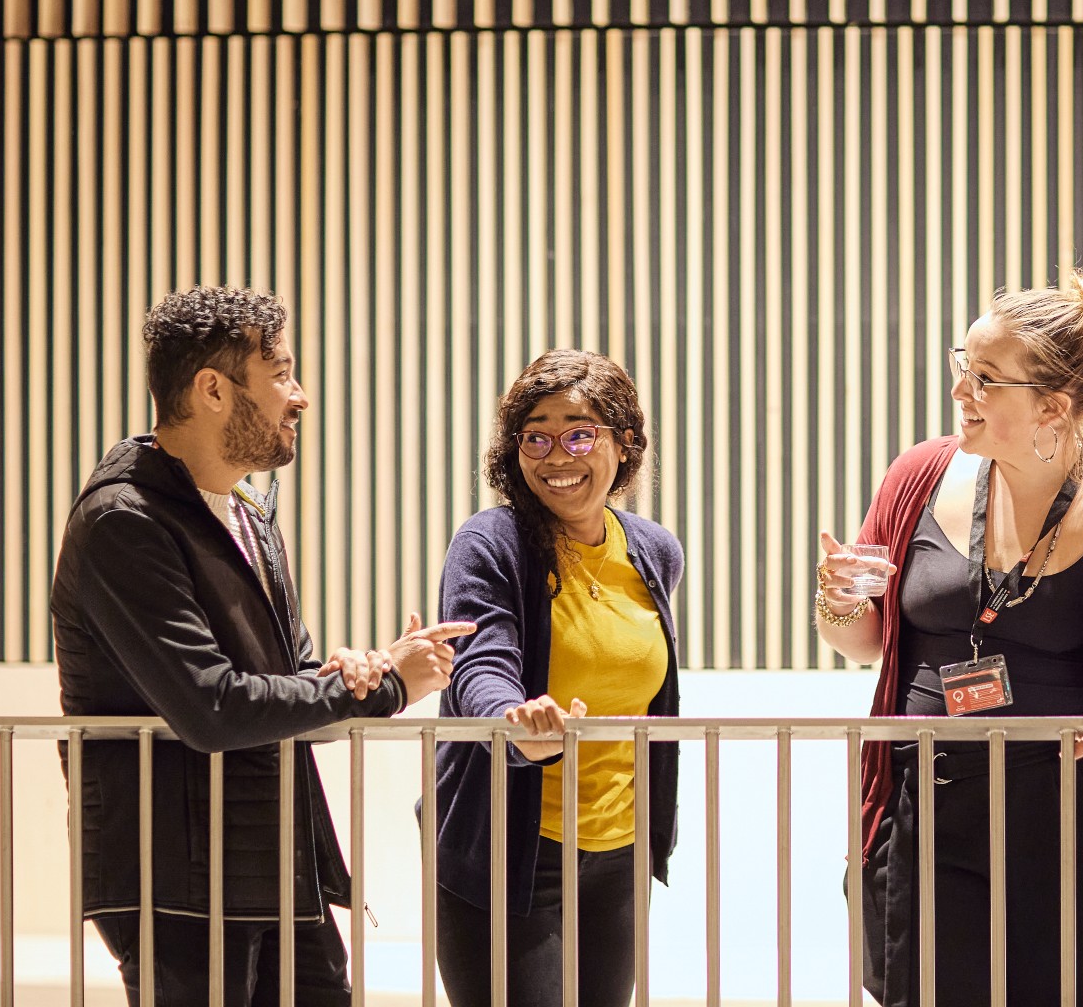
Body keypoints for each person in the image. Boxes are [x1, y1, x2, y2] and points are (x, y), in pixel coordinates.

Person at [51, 287, 473, 1006]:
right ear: (213, 390)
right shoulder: (124, 520)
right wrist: (387, 686)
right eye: (280, 374)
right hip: (175, 877)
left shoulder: (247, 512)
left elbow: (290, 678)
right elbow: (211, 705)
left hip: (270, 856)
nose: (300, 396)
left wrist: (358, 670)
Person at [816, 271, 1083, 1007]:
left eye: (985, 378)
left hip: (1068, 811)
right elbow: (864, 643)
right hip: (923, 801)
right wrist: (838, 599)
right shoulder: (920, 474)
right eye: (963, 366)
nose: (961, 391)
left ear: (1052, 406)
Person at [431, 350, 683, 1007]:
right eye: (535, 436)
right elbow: (479, 661)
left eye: (579, 433)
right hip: (510, 849)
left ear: (624, 443)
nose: (555, 456)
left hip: (619, 850)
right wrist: (512, 720)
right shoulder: (491, 542)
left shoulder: (653, 551)